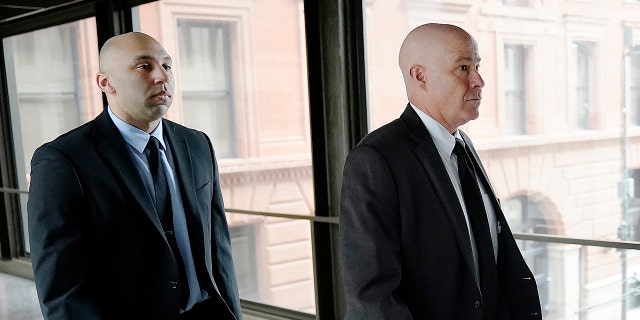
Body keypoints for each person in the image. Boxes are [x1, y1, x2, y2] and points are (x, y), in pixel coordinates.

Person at [28, 32, 242, 320]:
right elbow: (63, 291)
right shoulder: (63, 161)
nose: (161, 76)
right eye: (144, 66)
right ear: (106, 83)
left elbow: (219, 250)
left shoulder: (197, 144)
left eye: (167, 66)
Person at [339, 23, 542, 319]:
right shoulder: (375, 159)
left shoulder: (463, 144)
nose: (479, 80)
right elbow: (374, 298)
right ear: (421, 76)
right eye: (463, 68)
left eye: (477, 66)